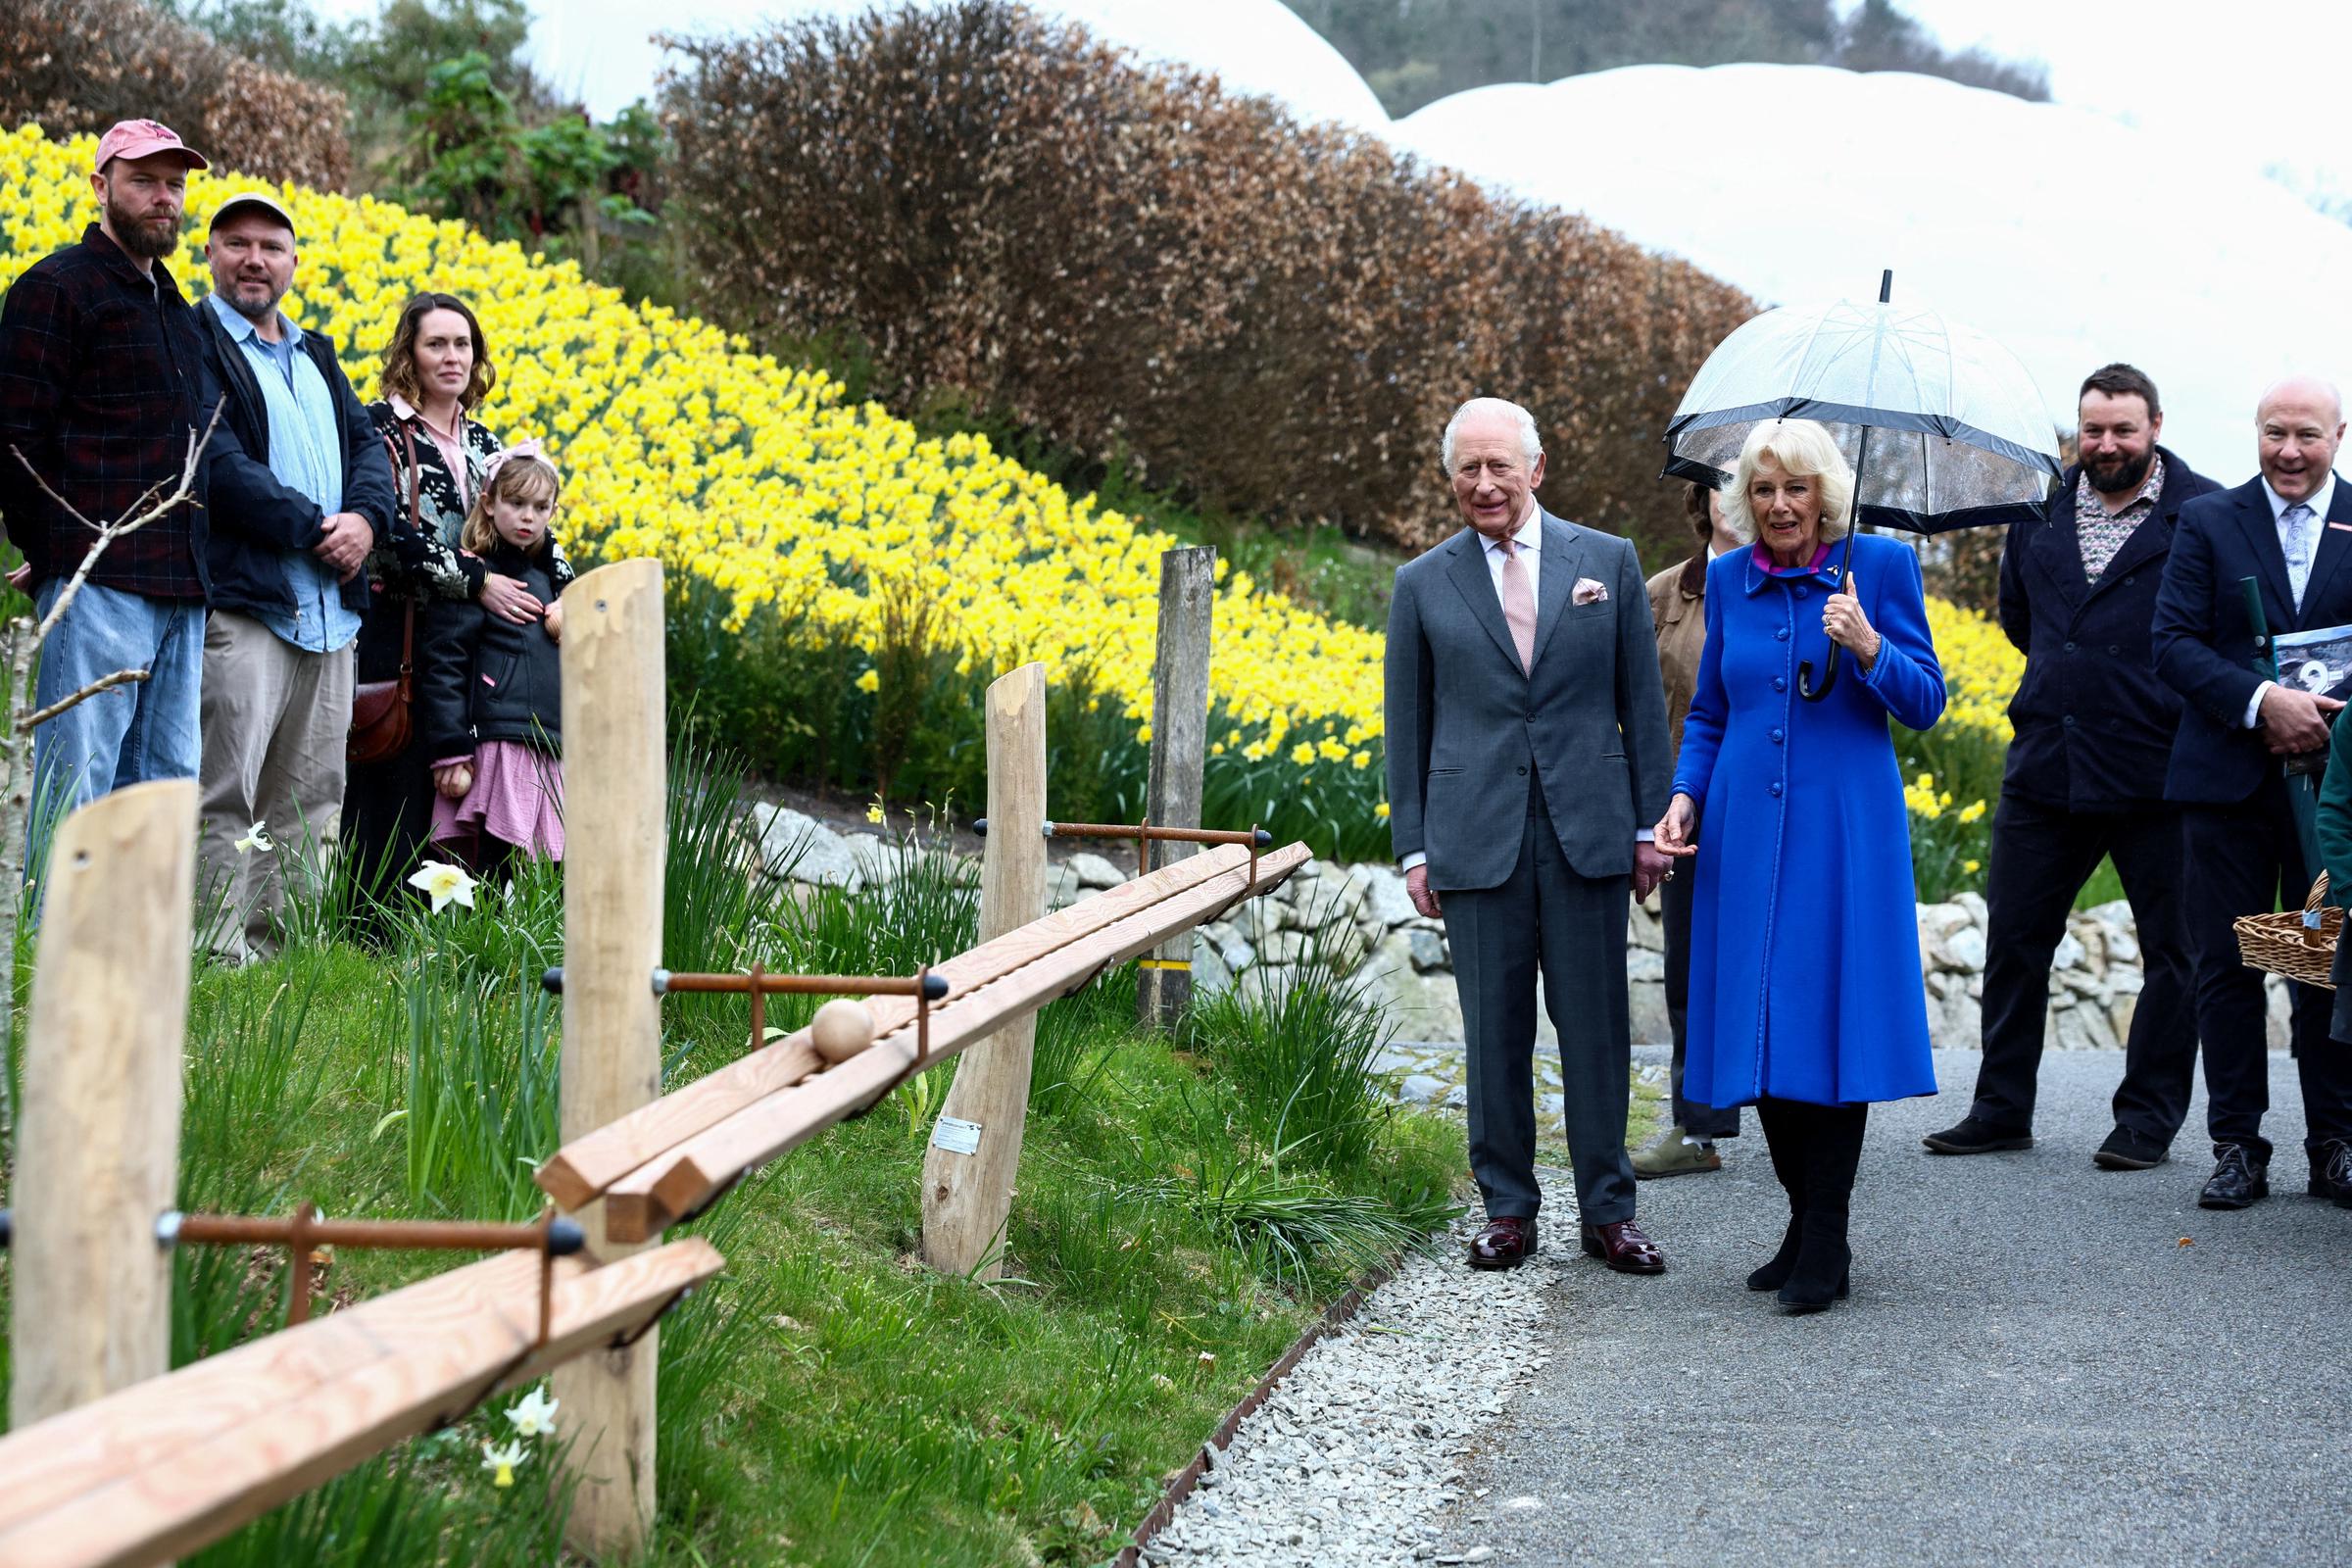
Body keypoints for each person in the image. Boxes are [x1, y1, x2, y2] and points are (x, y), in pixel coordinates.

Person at [1653, 417, 1945, 1314]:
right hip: (1741, 829)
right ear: (1743, 499)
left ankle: (1827, 1234)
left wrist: (1867, 644)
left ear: (1827, 495)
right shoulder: (1731, 581)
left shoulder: (1879, 572)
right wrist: (1684, 794)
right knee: (1761, 1022)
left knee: (1827, 1019)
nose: (1781, 505)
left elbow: (1925, 701)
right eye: (1765, 490)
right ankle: (1801, 1217)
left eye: (1798, 488)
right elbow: (1708, 712)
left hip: (1841, 829)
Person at [1384, 395, 1675, 1276]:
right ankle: (1508, 1211)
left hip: (1588, 834)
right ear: (1450, 479)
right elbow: (1409, 723)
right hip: (1476, 841)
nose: (1484, 484)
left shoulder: (1609, 564)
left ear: (1535, 470)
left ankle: (1608, 1213)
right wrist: (1417, 846)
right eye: (1467, 469)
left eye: (1499, 466)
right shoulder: (1421, 583)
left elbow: (1642, 705)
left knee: (1596, 1033)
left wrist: (1648, 826)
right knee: (1494, 1036)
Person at [1923, 365, 2218, 1168]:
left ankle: (2147, 1120)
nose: (2107, 444)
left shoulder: (2206, 512)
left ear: (2155, 424)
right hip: (2048, 754)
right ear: (2077, 429)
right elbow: (2020, 617)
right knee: (2015, 940)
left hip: (2158, 765)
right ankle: (1999, 1108)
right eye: (2093, 430)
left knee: (2174, 951)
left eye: (2123, 429)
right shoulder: (2040, 503)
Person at [0, 121, 253, 817]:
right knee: (75, 794)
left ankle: (136, 934)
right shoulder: (55, 287)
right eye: (143, 180)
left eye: (174, 184)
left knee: (161, 797)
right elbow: (15, 440)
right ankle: (47, 931)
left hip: (180, 587)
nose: (163, 197)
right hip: (101, 582)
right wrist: (54, 554)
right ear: (100, 184)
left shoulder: (173, 305)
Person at [2150, 375, 2352, 1211]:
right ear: (2256, 433)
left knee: (2323, 960)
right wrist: (2267, 703)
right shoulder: (2208, 521)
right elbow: (2172, 642)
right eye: (2275, 433)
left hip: (2333, 790)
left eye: (2307, 435)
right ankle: (2237, 1143)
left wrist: (2330, 719)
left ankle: (2334, 1141)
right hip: (2228, 785)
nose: (2290, 452)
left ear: (2340, 434)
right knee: (2230, 962)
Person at [191, 191, 396, 961]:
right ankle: (214, 951)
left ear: (294, 262)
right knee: (226, 790)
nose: (254, 259)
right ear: (209, 255)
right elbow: (218, 465)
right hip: (250, 606)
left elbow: (366, 448)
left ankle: (287, 958)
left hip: (330, 616)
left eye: (271, 246)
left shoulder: (317, 353)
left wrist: (366, 524)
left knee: (312, 801)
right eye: (236, 243)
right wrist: (317, 529)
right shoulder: (198, 340)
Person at [352, 294, 571, 913]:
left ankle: (443, 944)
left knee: (453, 799)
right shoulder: (381, 429)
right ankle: (369, 943)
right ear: (408, 353)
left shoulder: (483, 440)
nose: (452, 357)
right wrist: (477, 581)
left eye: (462, 345)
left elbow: (531, 526)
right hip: (399, 633)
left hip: (479, 647)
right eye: (436, 344)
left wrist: (566, 591)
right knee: (392, 792)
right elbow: (385, 533)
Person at [1634, 478, 1745, 1178]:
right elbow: (1636, 705)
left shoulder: (1803, 583)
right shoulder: (1663, 595)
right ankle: (1696, 1127)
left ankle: (1810, 1122)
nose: (1738, 497)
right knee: (1692, 968)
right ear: (1700, 500)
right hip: (1690, 806)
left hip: (1772, 804)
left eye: (1755, 481)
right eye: (1723, 483)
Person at [416, 442, 566, 870]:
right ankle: (471, 942)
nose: (528, 517)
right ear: (488, 502)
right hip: (493, 745)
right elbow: (444, 665)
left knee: (538, 875)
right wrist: (450, 751)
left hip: (544, 745)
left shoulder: (552, 582)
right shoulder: (474, 576)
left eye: (540, 507)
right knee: (485, 867)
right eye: (516, 503)